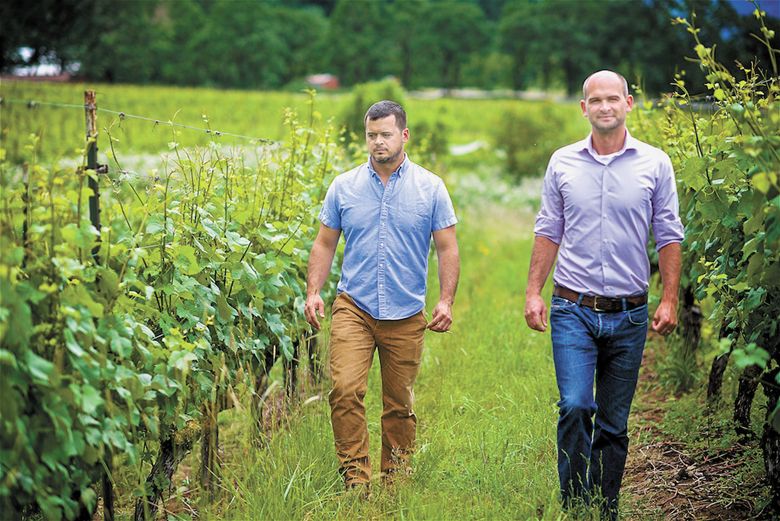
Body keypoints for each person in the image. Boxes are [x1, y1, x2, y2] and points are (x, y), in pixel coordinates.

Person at [524, 70, 684, 518]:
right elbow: (548, 228)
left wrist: (669, 298)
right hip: (572, 307)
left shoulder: (655, 164)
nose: (605, 107)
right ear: (584, 108)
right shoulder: (563, 162)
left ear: (629, 103)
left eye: (613, 99)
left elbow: (669, 235)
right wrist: (534, 292)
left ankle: (604, 507)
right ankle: (576, 507)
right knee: (576, 405)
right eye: (596, 100)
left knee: (613, 424)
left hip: (629, 314)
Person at [304, 100, 460, 492]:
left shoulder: (430, 188)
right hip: (353, 306)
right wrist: (313, 291)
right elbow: (324, 243)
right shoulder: (344, 186)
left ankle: (395, 478)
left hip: (406, 312)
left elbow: (447, 248)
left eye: (385, 134)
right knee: (344, 390)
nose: (377, 142)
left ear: (404, 135)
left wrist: (445, 300)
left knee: (399, 404)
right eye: (371, 135)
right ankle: (356, 477)